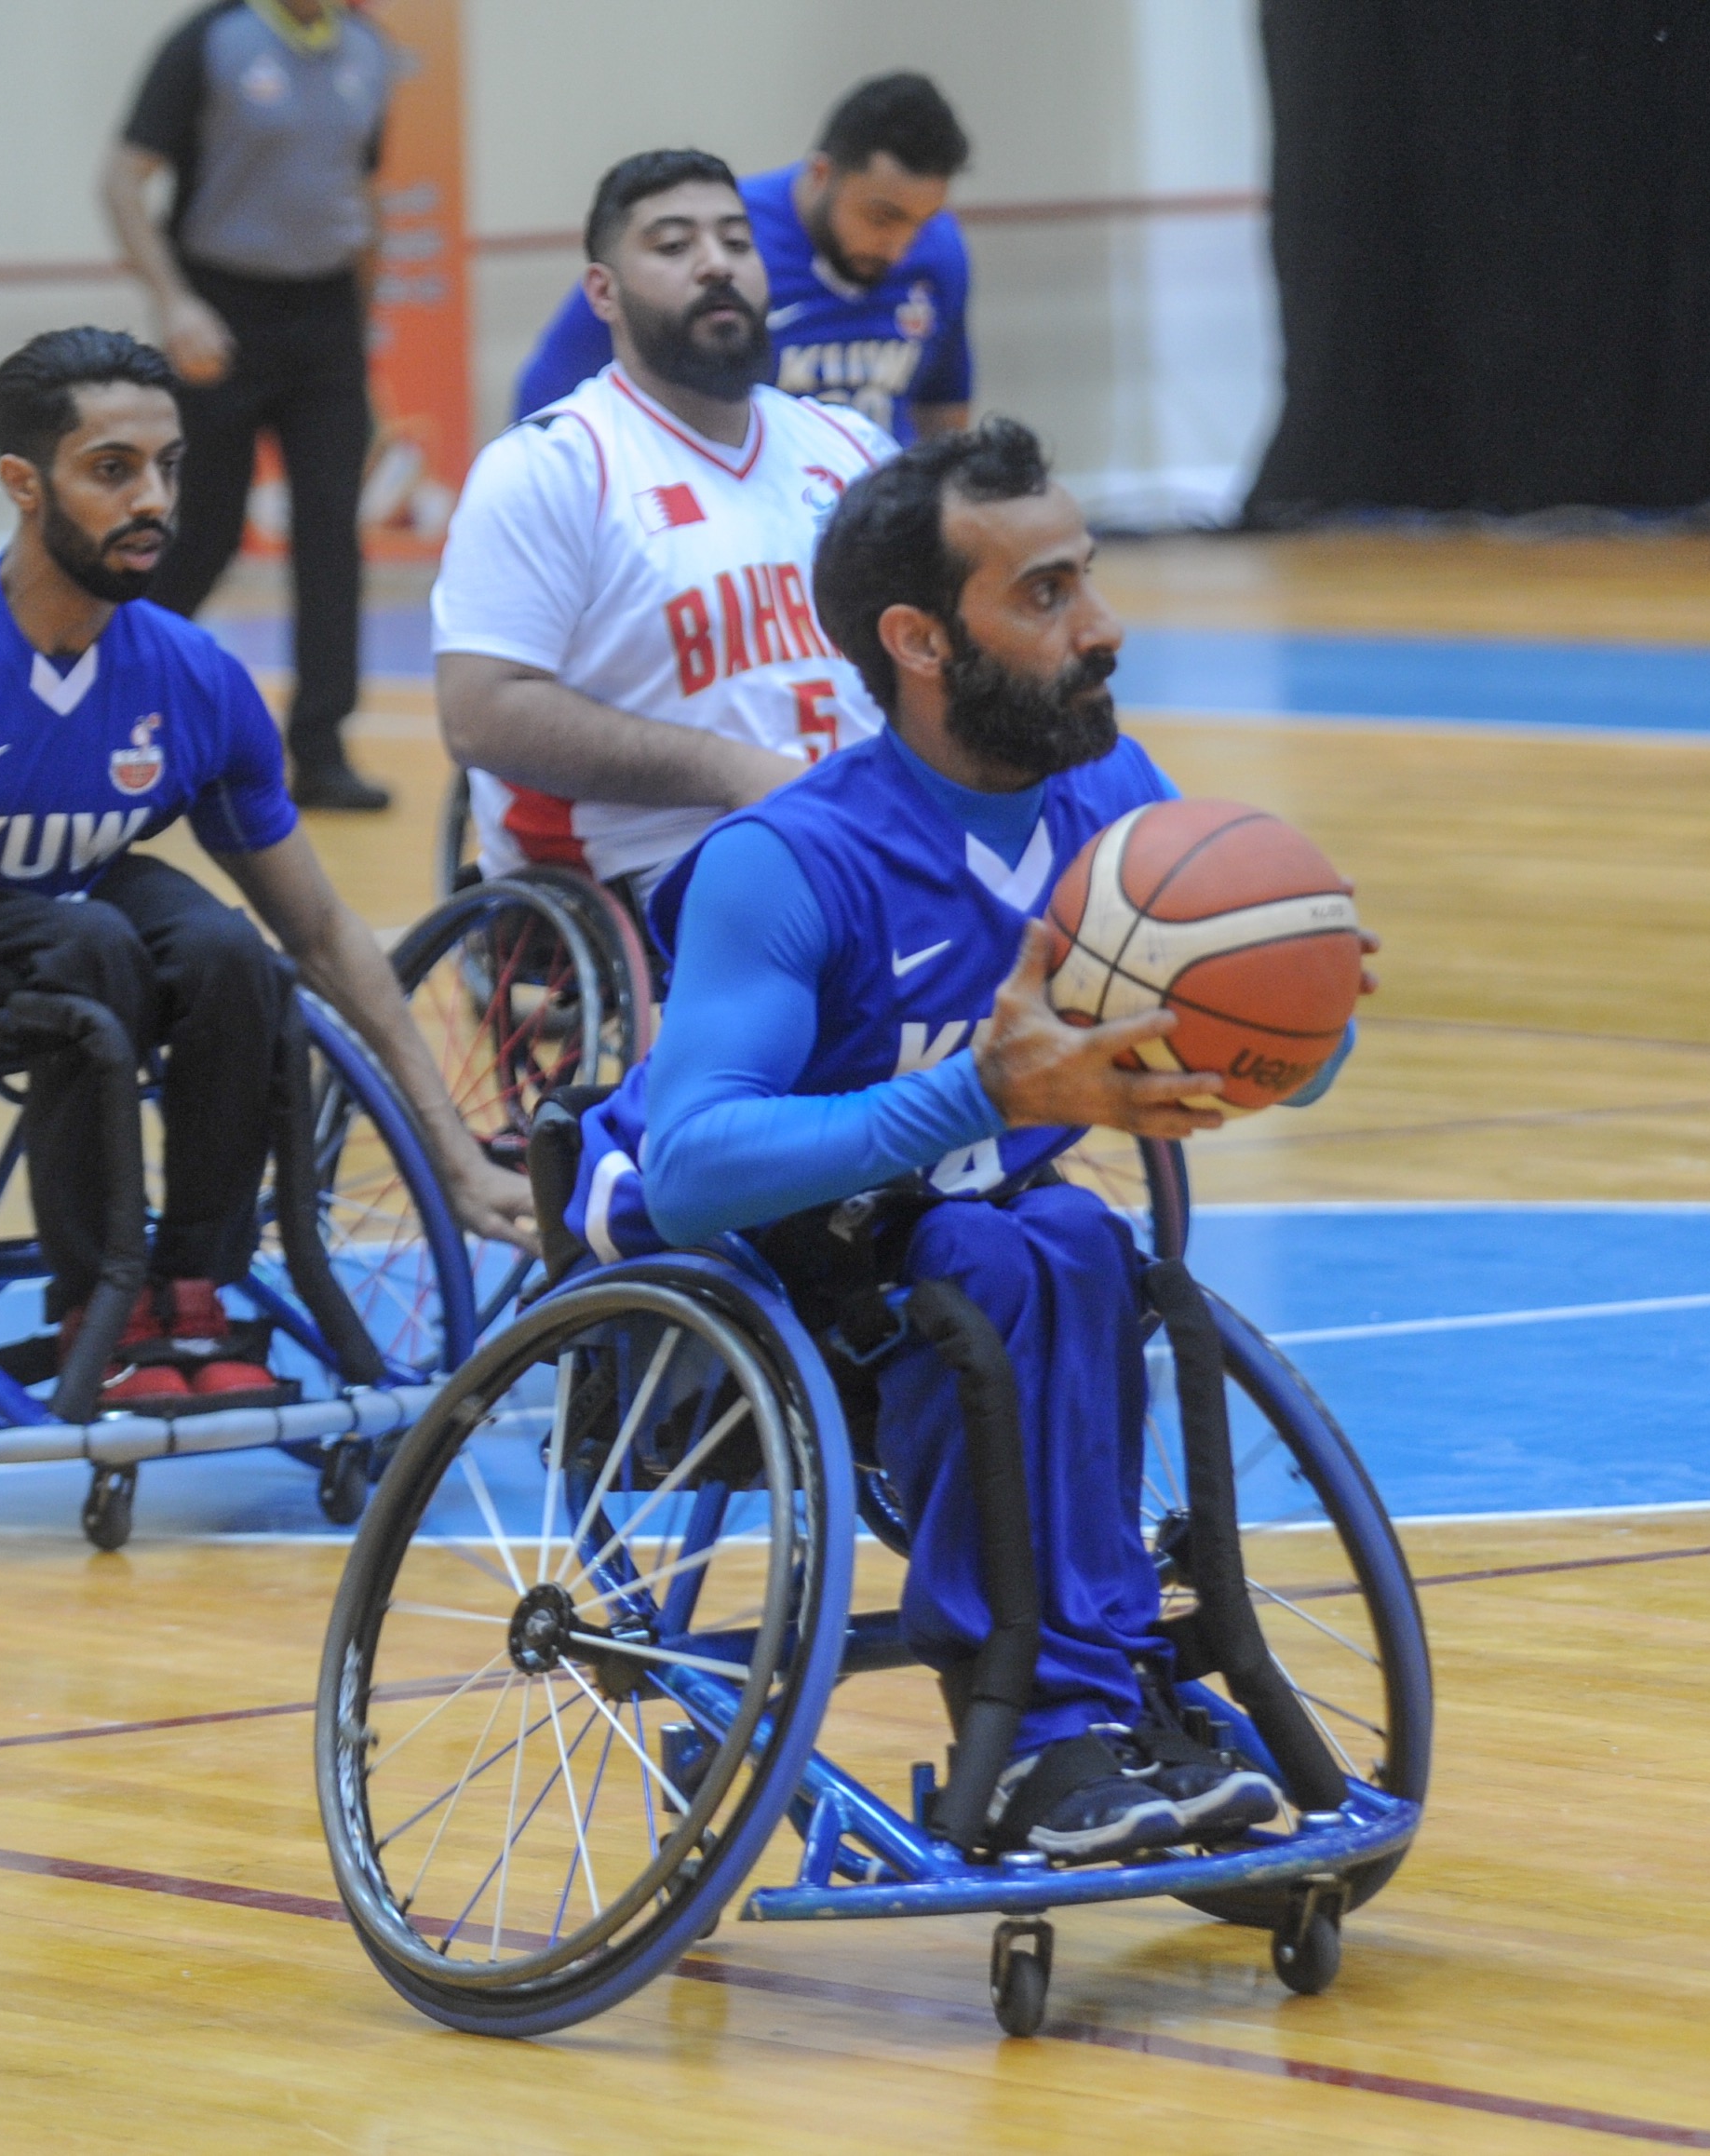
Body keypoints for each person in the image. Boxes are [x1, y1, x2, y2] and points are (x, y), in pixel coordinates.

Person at [562, 419, 1366, 1859]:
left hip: (971, 1236)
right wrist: (983, 1097)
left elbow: (1265, 1067)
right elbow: (690, 1172)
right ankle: (1035, 1738)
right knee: (1001, 1260)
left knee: (1065, 1240)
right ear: (920, 642)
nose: (1101, 627)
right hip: (754, 1266)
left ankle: (1097, 1697)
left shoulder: (1115, 810)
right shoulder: (788, 861)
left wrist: (1302, 1017)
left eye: (1088, 579)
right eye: (1045, 595)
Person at [0, 327, 536, 1395]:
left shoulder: (193, 678)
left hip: (65, 923)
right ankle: (96, 1300)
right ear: (22, 481)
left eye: (169, 467)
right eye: (112, 470)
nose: (153, 499)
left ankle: (192, 1295)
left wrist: (454, 1151)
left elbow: (325, 932)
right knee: (89, 938)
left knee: (232, 954)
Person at [437, 150, 895, 924]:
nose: (715, 265)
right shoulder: (552, 466)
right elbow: (478, 713)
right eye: (674, 246)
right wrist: (734, 772)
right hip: (658, 864)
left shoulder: (851, 449)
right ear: (602, 293)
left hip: (862, 833)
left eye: (736, 242)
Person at [101, 0, 396, 813]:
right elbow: (121, 183)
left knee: (331, 534)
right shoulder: (211, 41)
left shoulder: (370, 51)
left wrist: (359, 332)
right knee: (206, 534)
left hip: (327, 320)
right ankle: (109, 701)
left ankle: (322, 748)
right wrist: (174, 302)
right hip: (221, 308)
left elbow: (359, 193)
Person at [513, 73, 974, 443]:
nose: (901, 244)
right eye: (882, 216)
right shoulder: (715, 240)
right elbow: (546, 393)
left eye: (924, 220)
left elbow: (944, 410)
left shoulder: (941, 252)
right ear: (821, 174)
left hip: (878, 523)